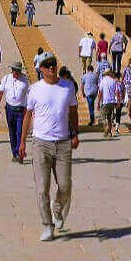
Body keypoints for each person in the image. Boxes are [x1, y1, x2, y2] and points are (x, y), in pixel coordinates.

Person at [18, 53, 79, 241]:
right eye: (47, 65)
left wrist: (75, 133)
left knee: (65, 185)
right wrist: (22, 142)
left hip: (62, 143)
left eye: (53, 63)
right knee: (42, 188)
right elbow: (28, 116)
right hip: (41, 143)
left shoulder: (67, 87)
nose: (51, 67)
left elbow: (73, 111)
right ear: (40, 69)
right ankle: (47, 225)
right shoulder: (35, 89)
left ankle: (57, 208)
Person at [0, 61, 30, 161]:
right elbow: (0, 93)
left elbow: (30, 94)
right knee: (12, 132)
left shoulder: (24, 80)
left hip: (20, 110)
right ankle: (14, 153)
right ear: (12, 71)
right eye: (15, 71)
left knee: (19, 132)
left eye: (18, 71)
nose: (16, 73)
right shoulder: (6, 79)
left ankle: (20, 154)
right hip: (9, 109)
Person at [98, 67, 119, 138]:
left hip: (105, 101)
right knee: (109, 117)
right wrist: (118, 101)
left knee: (103, 117)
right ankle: (109, 132)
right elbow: (117, 92)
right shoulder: (113, 81)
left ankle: (107, 128)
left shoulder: (103, 81)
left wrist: (98, 102)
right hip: (112, 101)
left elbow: (100, 92)